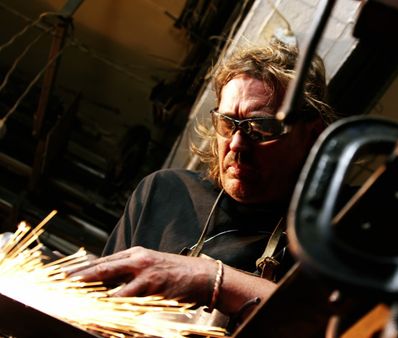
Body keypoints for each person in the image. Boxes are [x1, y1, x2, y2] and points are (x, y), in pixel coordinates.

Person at [69, 39, 337, 328]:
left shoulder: (335, 229)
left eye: (261, 128)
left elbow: (329, 324)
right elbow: (95, 308)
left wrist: (209, 278)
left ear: (312, 135)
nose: (236, 144)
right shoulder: (164, 193)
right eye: (227, 123)